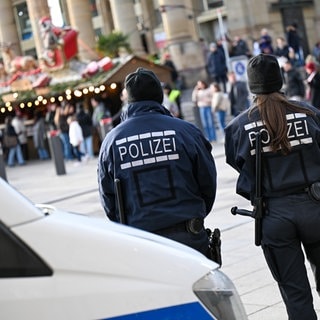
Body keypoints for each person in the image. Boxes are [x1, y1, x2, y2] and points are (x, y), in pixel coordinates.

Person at [224, 53, 320, 320]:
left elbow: (237, 162)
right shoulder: (309, 113)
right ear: (280, 81)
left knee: (296, 296)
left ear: (251, 87)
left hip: (273, 214)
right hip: (315, 205)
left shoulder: (238, 127)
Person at [97, 67, 217, 257]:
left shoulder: (112, 142)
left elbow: (108, 199)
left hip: (142, 243)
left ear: (130, 99)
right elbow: (207, 181)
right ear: (159, 96)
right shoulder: (186, 132)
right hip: (189, 235)